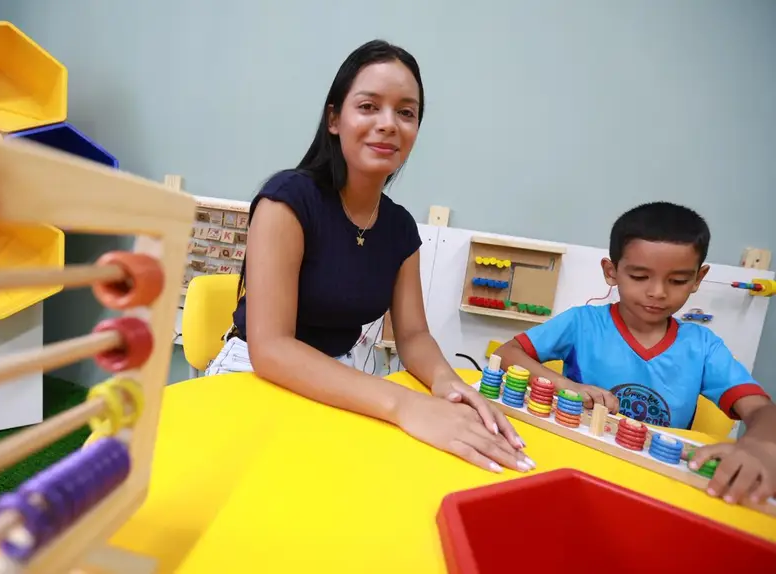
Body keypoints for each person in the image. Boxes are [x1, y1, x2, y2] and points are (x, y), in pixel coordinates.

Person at [203, 39, 534, 474]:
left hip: (340, 378)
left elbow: (414, 336)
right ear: (335, 119)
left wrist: (448, 385)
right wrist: (406, 404)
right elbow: (272, 349)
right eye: (368, 106)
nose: (389, 124)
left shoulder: (399, 227)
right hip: (252, 374)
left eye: (406, 112)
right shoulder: (288, 201)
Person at [496, 201, 776, 504]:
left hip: (656, 485)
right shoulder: (582, 323)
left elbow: (762, 410)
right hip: (577, 464)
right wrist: (569, 387)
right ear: (611, 271)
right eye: (640, 277)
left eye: (678, 280)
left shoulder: (703, 346)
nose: (658, 291)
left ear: (698, 278)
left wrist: (763, 446)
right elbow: (507, 353)